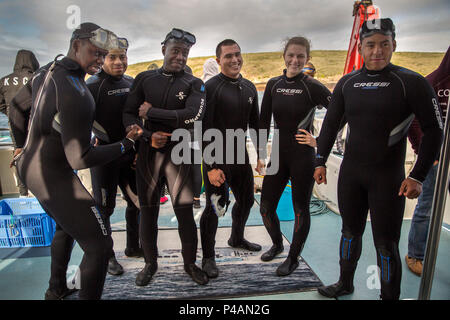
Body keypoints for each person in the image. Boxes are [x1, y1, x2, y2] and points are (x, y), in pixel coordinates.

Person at [9, 22, 143, 300]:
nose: (99, 58)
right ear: (76, 45)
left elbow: (17, 107)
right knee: (100, 245)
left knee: (66, 226)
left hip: (31, 166)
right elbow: (81, 158)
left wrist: (21, 145)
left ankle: (56, 289)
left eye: (103, 53)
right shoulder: (78, 92)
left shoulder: (48, 70)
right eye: (95, 52)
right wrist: (125, 144)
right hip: (52, 175)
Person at [314, 18, 443, 300]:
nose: (377, 51)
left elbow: (435, 131)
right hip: (352, 174)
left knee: (385, 244)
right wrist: (320, 161)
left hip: (389, 178)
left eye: (384, 44)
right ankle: (345, 283)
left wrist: (418, 175)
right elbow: (330, 125)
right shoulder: (348, 83)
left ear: (394, 45)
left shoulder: (411, 82)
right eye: (370, 45)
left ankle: (389, 297)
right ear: (360, 47)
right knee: (349, 232)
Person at [123, 28, 208, 286]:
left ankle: (190, 264)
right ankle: (150, 264)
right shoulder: (144, 79)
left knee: (184, 213)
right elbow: (128, 115)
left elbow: (195, 114)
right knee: (148, 212)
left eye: (185, 53)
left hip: (179, 153)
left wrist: (153, 112)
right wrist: (148, 136)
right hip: (149, 154)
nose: (180, 57)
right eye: (175, 51)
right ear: (163, 50)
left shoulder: (195, 83)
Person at [258, 37, 332, 276]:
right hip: (278, 155)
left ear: (307, 58)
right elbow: (263, 122)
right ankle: (278, 244)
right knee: (266, 207)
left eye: (301, 56)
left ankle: (293, 257)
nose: (295, 60)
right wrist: (261, 154)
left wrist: (318, 142)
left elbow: (340, 115)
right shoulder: (273, 84)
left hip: (303, 156)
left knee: (301, 209)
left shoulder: (313, 86)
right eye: (291, 55)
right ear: (284, 56)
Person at [199, 39, 264, 279]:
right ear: (218, 61)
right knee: (216, 208)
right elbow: (203, 129)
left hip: (240, 155)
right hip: (217, 156)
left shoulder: (248, 87)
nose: (235, 59)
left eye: (238, 54)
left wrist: (260, 155)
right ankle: (208, 257)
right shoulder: (211, 87)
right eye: (228, 56)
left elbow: (255, 125)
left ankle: (236, 237)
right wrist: (212, 167)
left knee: (247, 201)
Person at [86, 36, 143, 277]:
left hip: (129, 154)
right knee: (104, 209)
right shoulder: (93, 85)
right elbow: (77, 119)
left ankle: (132, 246)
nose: (119, 62)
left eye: (123, 57)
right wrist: (92, 138)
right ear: (102, 59)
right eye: (113, 57)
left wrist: (139, 150)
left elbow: (139, 119)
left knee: (136, 203)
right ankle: (109, 257)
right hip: (105, 155)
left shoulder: (132, 83)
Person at [405, 45, 449, 276]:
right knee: (426, 208)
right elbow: (414, 120)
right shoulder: (432, 83)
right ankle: (416, 255)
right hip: (434, 159)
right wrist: (426, 154)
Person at [2, 49, 39, 197]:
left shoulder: (4, 81)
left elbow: (1, 105)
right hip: (34, 126)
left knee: (19, 158)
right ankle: (40, 193)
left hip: (15, 127)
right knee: (38, 157)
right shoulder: (37, 77)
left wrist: (12, 115)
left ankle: (22, 193)